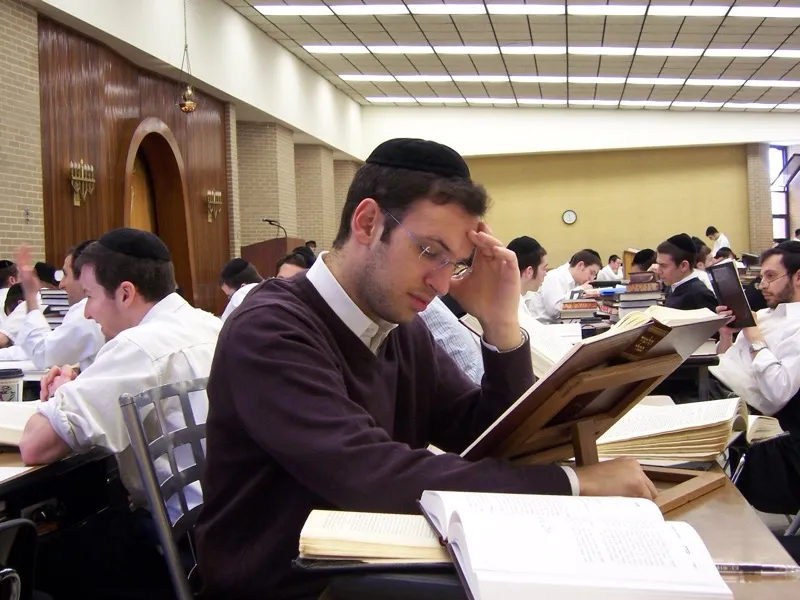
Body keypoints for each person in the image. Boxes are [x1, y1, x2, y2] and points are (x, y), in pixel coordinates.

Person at [195, 138, 655, 600]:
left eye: (453, 263)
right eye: (430, 251)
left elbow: (483, 436)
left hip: (369, 568)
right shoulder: (271, 329)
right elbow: (372, 475)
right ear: (368, 222)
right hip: (287, 584)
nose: (440, 283)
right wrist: (571, 484)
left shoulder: (397, 325)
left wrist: (500, 324)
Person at [18, 228, 221, 598]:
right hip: (227, 522)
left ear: (126, 293)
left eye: (90, 296)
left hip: (186, 544)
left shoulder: (138, 345)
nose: (89, 311)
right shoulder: (209, 323)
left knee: (42, 561)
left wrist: (63, 395)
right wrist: (80, 381)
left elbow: (36, 445)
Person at [710, 241, 800, 513]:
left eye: (771, 277)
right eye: (762, 276)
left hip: (759, 426)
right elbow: (727, 362)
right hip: (722, 399)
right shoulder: (766, 315)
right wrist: (725, 334)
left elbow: (779, 391)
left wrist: (753, 335)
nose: (761, 285)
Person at [13, 241, 105, 371]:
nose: (61, 284)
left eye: (66, 274)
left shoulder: (88, 312)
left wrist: (30, 295)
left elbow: (43, 353)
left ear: (86, 276)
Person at [528, 249, 601, 324]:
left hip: (558, 326)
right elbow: (554, 311)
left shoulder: (575, 282)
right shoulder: (555, 277)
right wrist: (580, 290)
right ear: (580, 265)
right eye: (592, 273)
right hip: (543, 327)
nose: (591, 278)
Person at [656, 234, 718, 312]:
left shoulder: (700, 295)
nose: (658, 271)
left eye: (663, 266)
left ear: (683, 266)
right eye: (658, 264)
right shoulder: (673, 286)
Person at [507, 235, 548, 316]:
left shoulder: (514, 299)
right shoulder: (513, 307)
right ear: (529, 271)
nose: (545, 274)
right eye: (544, 268)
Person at [219, 258, 263, 323]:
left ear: (244, 287)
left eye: (230, 296)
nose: (230, 300)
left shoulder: (239, 297)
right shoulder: (276, 291)